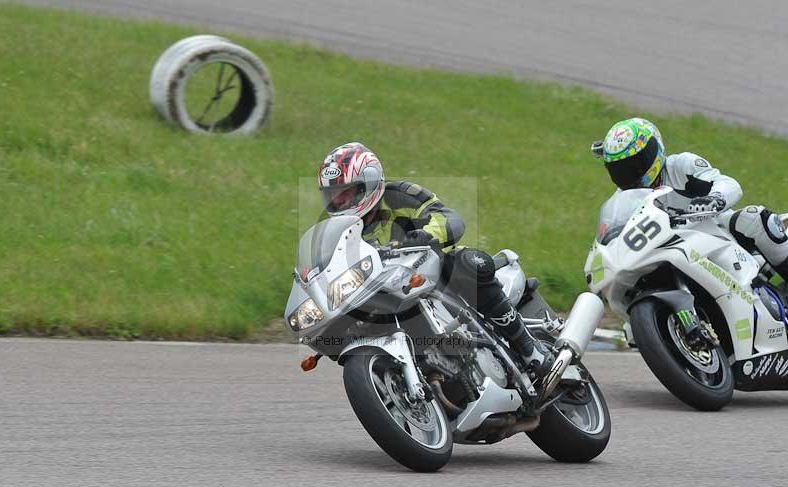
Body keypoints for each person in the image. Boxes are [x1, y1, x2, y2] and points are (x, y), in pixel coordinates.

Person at [317, 141, 550, 373]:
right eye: (332, 196)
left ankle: (530, 349)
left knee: (466, 262)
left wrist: (427, 234)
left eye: (344, 193)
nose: (338, 202)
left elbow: (449, 217)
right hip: (386, 290)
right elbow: (329, 264)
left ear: (366, 185)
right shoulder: (335, 231)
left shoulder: (398, 195)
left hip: (430, 276)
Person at [593, 117, 788, 280]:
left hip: (715, 232)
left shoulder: (680, 166)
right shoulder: (622, 203)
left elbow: (730, 184)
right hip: (668, 252)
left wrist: (713, 199)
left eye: (635, 165)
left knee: (754, 218)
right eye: (621, 171)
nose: (630, 175)